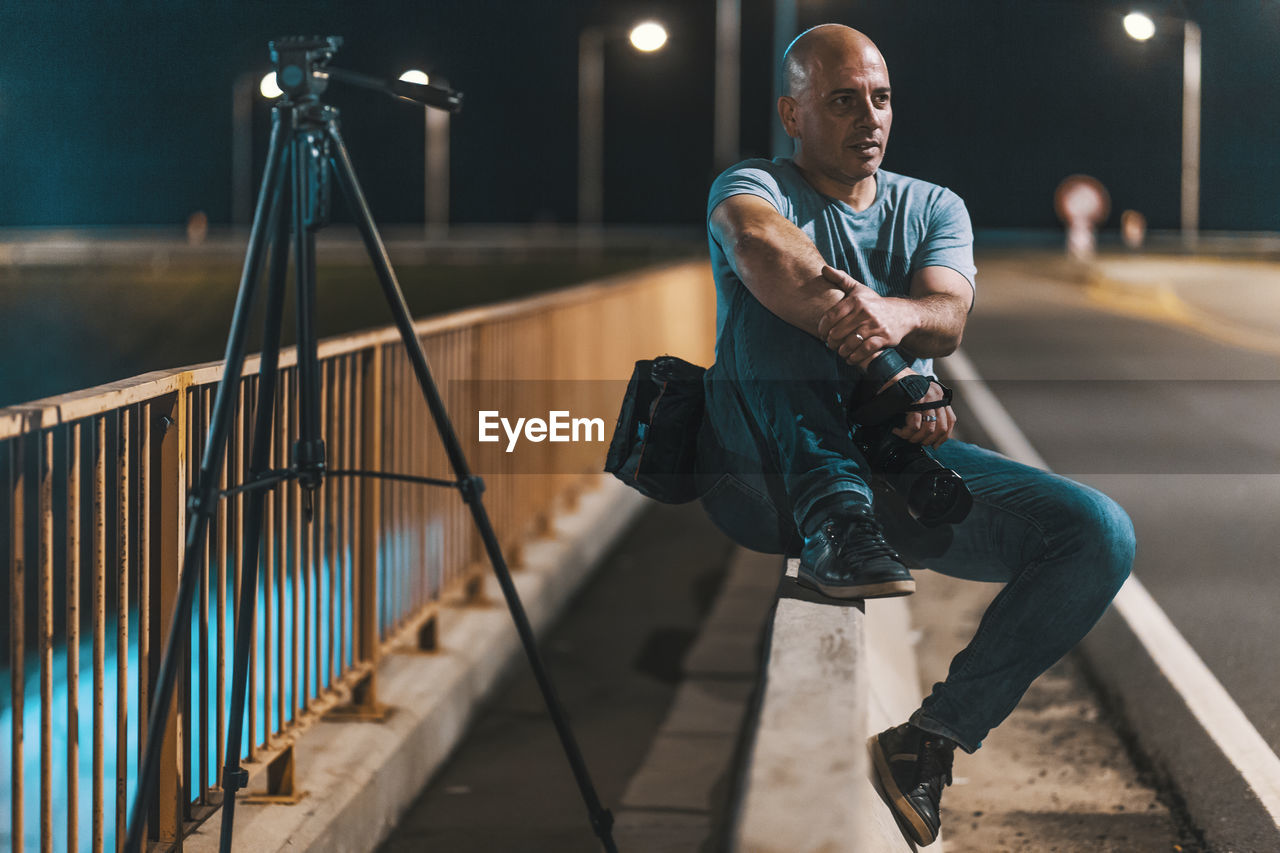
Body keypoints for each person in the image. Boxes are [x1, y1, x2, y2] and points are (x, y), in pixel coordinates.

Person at [695, 23, 1135, 846]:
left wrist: (893, 331)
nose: (870, 116)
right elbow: (759, 242)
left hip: (883, 478)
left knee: (1098, 532)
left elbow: (946, 312)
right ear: (792, 113)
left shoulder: (932, 205)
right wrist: (899, 371)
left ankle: (927, 743)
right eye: (842, 100)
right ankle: (833, 508)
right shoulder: (754, 184)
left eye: (881, 97)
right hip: (754, 472)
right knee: (778, 285)